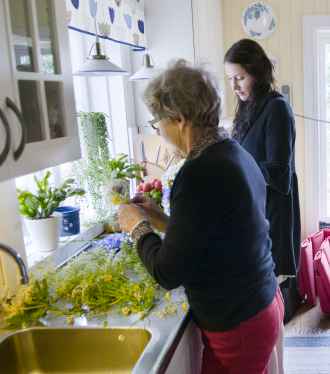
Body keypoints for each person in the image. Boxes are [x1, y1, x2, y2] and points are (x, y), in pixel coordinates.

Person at [117, 59, 284, 374]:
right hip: (261, 300)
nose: (160, 133)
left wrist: (136, 226)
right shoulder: (232, 152)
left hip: (238, 322)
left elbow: (169, 273)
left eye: (158, 123)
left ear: (179, 118)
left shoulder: (198, 173)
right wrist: (162, 221)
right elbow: (223, 232)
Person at [224, 40, 302, 322]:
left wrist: (233, 178)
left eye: (240, 77)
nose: (234, 86)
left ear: (257, 71)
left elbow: (277, 172)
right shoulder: (251, 107)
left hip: (272, 213)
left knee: (272, 299)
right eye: (230, 78)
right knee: (264, 298)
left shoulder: (276, 108)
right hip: (256, 211)